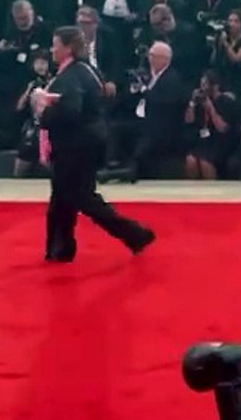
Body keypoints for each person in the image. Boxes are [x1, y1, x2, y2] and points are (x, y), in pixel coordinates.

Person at [34, 26, 154, 263]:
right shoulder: (85, 71)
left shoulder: (70, 77)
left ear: (68, 48)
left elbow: (70, 111)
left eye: (55, 44)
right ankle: (60, 247)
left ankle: (134, 233)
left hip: (75, 146)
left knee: (82, 198)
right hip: (86, 142)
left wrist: (43, 111)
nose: (52, 49)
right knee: (62, 198)